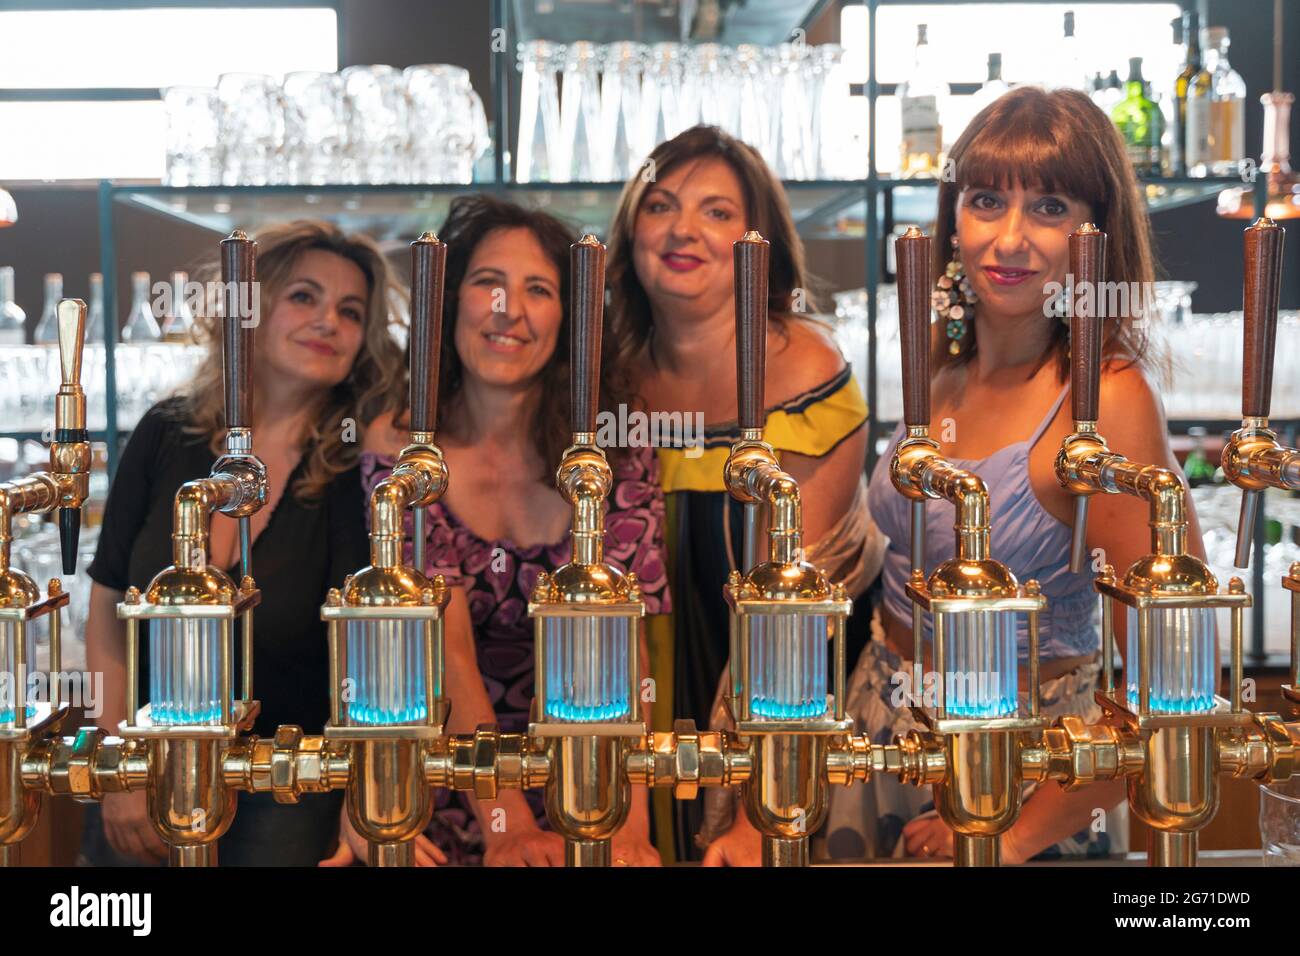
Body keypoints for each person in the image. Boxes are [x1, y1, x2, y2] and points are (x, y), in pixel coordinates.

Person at [825, 85, 1208, 862]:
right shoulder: (941, 375)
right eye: (986, 199)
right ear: (952, 218)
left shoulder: (1104, 401)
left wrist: (1008, 835)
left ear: (1095, 235)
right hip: (887, 733)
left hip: (1028, 773)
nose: (1009, 238)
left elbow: (1175, 676)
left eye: (1051, 208)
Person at [350, 195, 667, 866]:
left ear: (571, 317)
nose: (508, 311)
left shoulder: (615, 449)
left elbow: (629, 654)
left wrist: (629, 823)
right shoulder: (405, 448)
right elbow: (448, 655)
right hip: (451, 790)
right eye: (488, 282)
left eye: (539, 290)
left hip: (588, 779)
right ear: (447, 301)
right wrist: (505, 824)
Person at [82, 220, 409, 866]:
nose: (329, 322)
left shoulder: (352, 460)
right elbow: (106, 610)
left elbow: (369, 645)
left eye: (350, 311)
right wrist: (119, 764)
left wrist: (363, 793)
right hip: (151, 772)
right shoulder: (164, 432)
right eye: (304, 297)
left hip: (288, 782)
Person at [604, 125, 883, 864]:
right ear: (631, 230)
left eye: (718, 212)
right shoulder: (607, 378)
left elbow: (795, 613)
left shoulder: (806, 372)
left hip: (785, 711)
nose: (683, 229)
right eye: (660, 205)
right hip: (640, 695)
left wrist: (764, 801)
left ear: (759, 243)